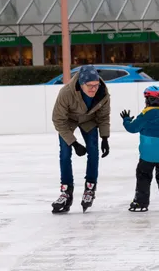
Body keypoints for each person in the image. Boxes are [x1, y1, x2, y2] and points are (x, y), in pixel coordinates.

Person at [51, 65, 111, 213]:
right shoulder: (66, 93)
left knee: (93, 150)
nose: (93, 89)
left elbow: (103, 117)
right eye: (89, 86)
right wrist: (74, 143)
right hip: (69, 121)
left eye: (96, 85)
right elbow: (58, 120)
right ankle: (66, 191)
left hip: (89, 120)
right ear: (81, 84)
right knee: (65, 153)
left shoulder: (103, 92)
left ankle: (90, 188)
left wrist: (104, 137)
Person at [120, 85, 159, 212]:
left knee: (143, 175)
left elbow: (132, 128)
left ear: (148, 100)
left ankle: (141, 202)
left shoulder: (144, 115)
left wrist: (126, 120)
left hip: (148, 155)